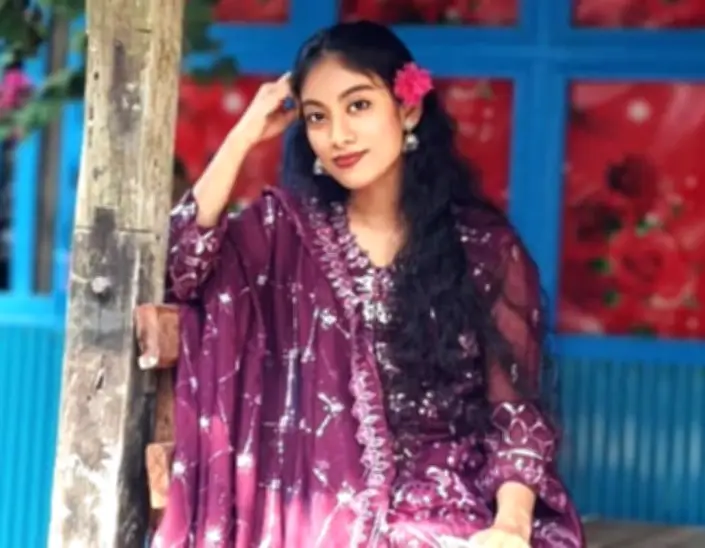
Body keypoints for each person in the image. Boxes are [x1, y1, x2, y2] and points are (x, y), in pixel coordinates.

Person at [154, 20, 584, 548]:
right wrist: (242, 136)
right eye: (317, 116)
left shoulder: (483, 249)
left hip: (448, 511)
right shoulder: (283, 235)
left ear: (408, 109)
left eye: (358, 105)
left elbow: (514, 414)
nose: (338, 135)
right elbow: (182, 267)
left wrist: (509, 527)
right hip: (313, 516)